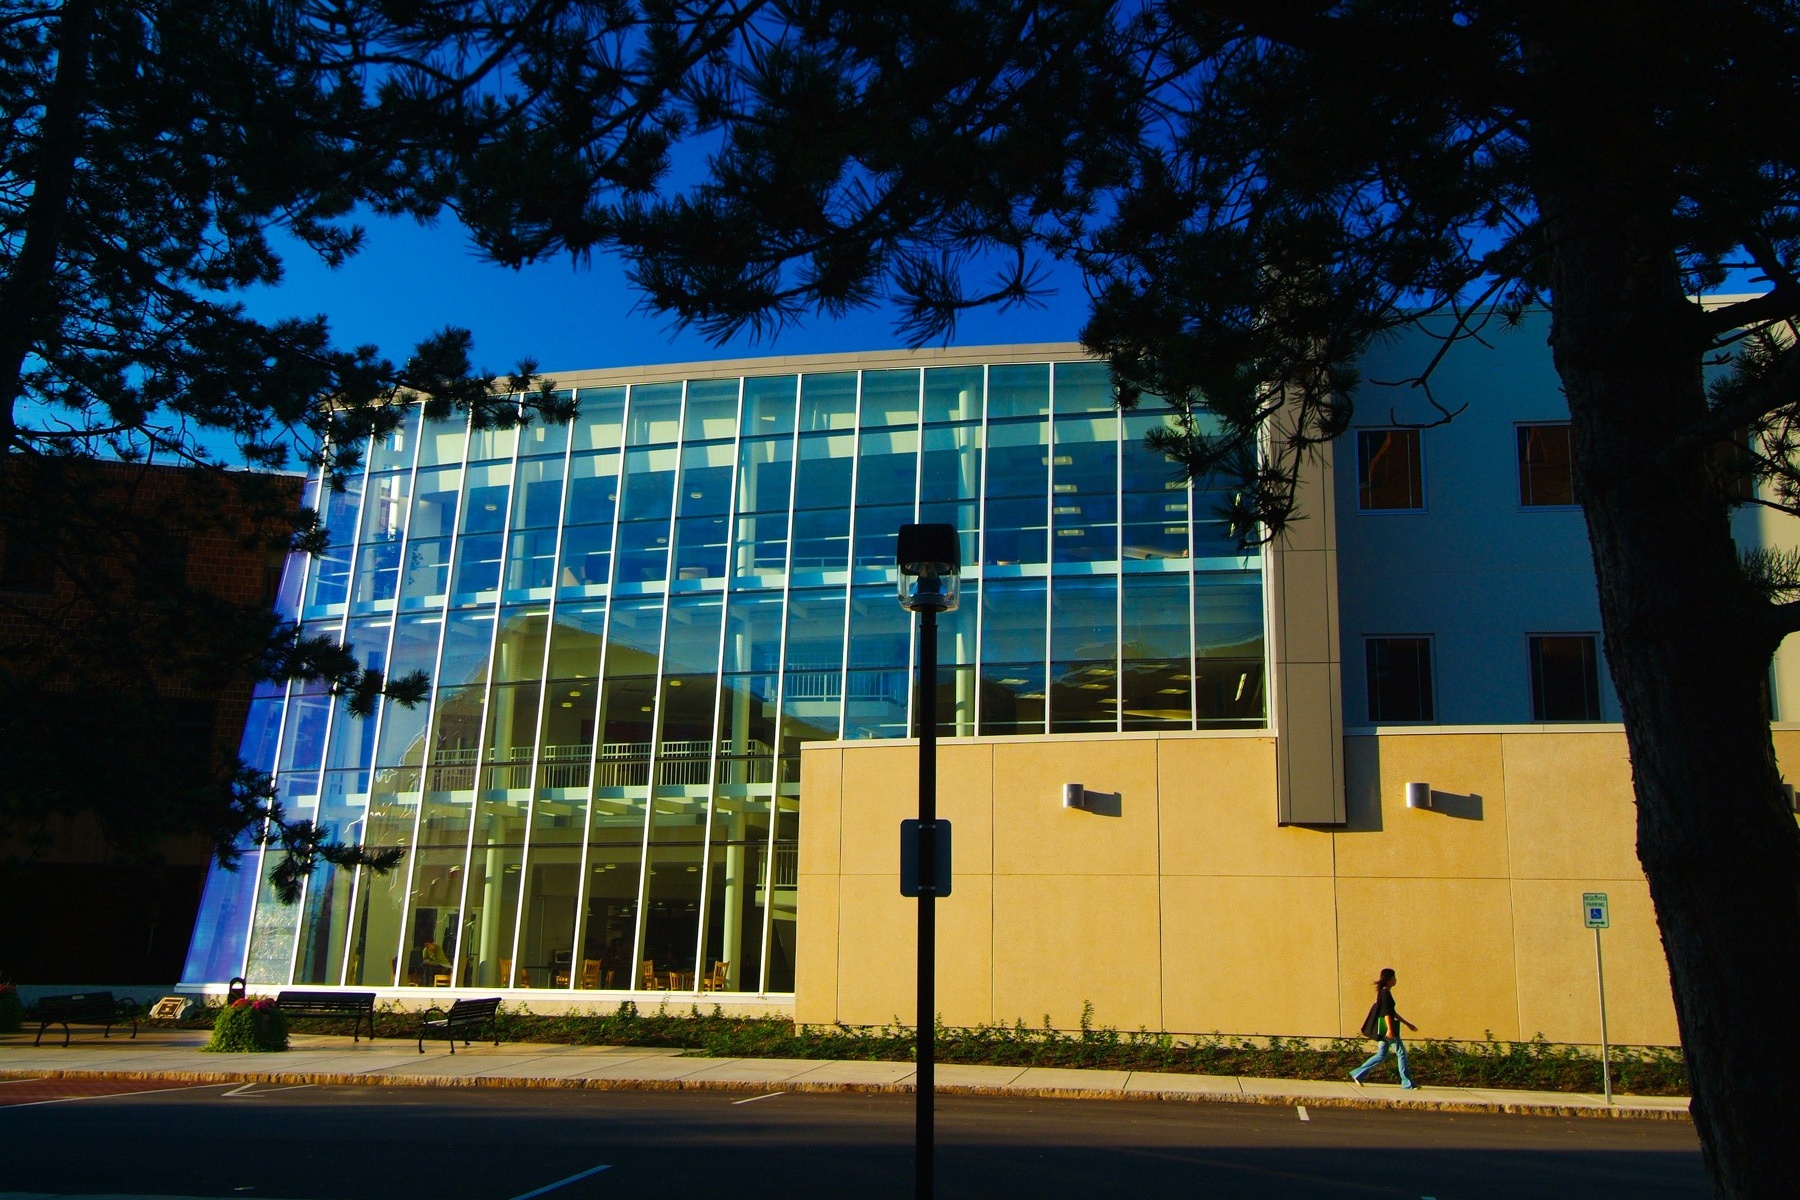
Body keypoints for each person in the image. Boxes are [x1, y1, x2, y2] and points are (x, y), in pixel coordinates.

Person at [1351, 967, 1419, 1089]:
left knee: (1381, 1055)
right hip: (1387, 1027)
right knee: (1401, 1052)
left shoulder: (1383, 992)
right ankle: (1407, 1082)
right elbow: (1387, 1013)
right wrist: (1390, 1029)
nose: (1395, 980)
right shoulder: (1385, 993)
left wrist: (1407, 1024)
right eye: (1393, 978)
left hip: (1383, 1027)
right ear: (1388, 980)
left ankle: (1358, 1074)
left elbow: (1392, 1013)